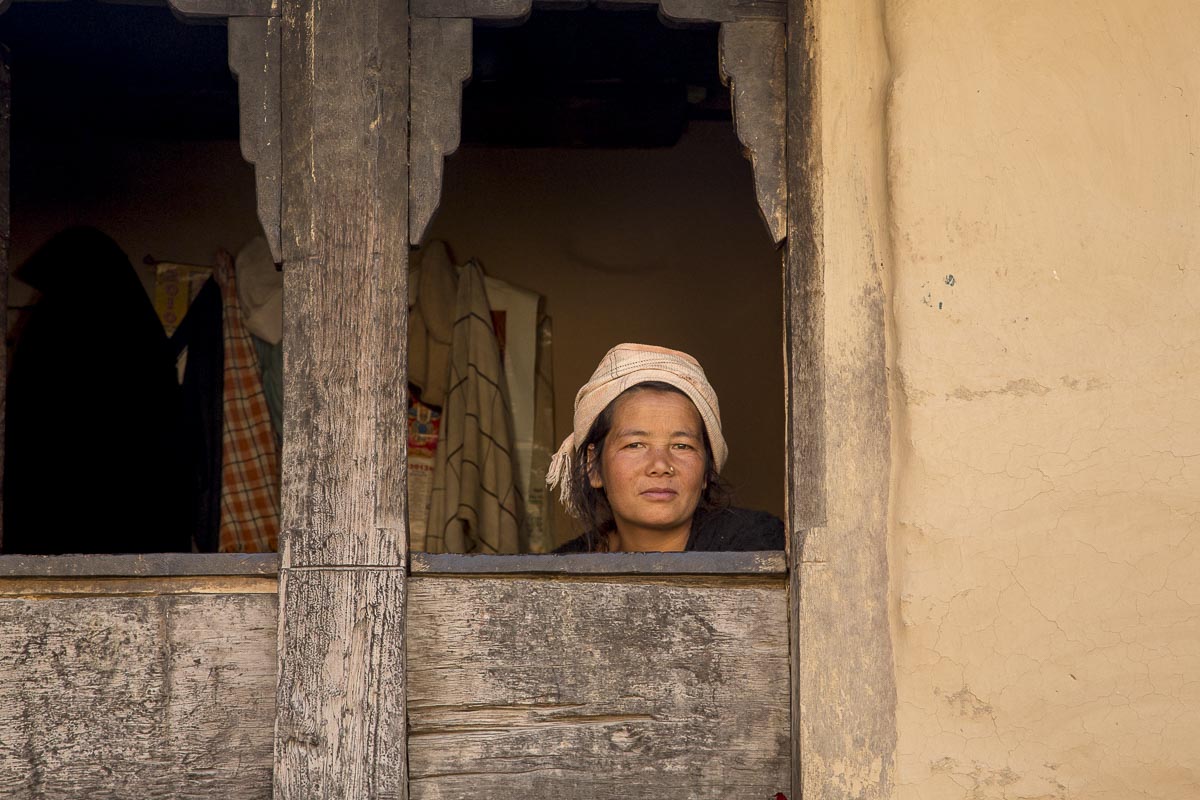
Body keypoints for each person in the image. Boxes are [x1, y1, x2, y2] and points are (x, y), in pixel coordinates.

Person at [547, 343, 784, 553]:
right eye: (635, 445)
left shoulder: (755, 544)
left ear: (706, 469)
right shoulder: (566, 569)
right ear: (593, 466)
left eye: (682, 446)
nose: (660, 466)